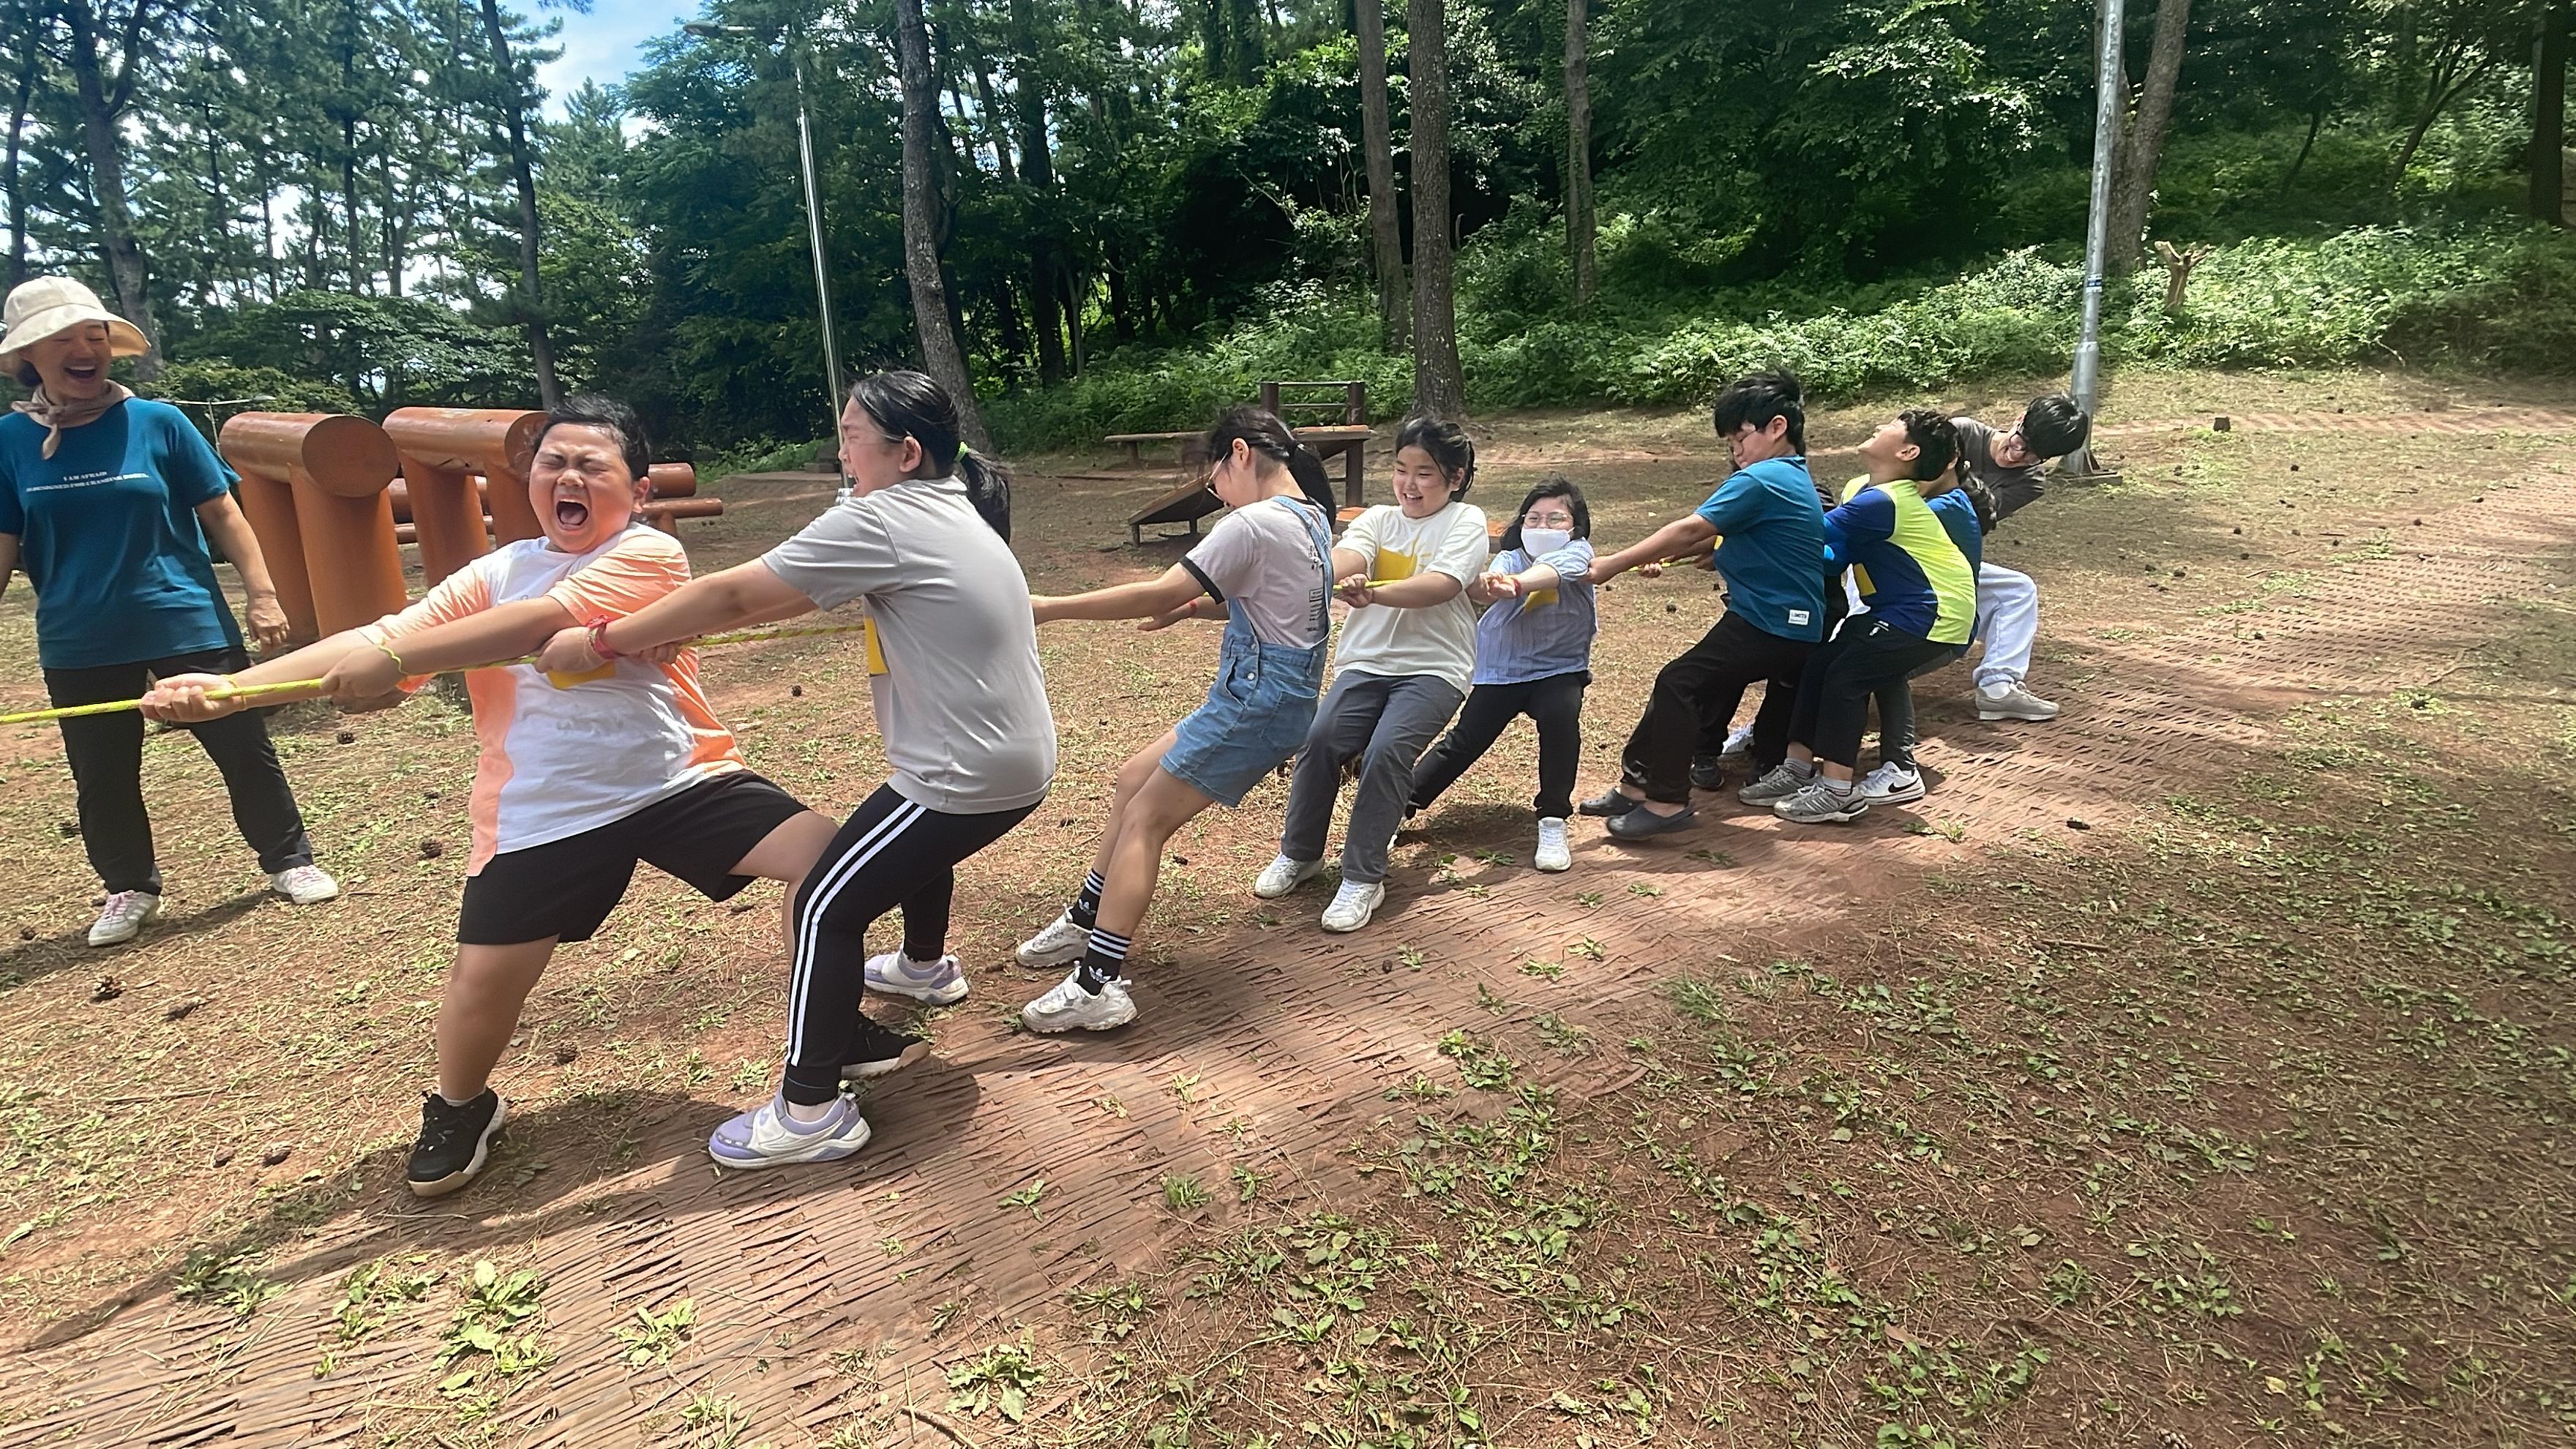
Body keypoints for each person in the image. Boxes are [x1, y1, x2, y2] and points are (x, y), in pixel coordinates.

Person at [143, 395, 843, 1196]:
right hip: (541, 807)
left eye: (591, 466)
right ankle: (461, 1106)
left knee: (831, 862)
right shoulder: (495, 570)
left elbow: (535, 625)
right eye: (554, 463)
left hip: (675, 780)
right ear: (530, 480)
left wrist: (396, 657)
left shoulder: (648, 553)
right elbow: (379, 635)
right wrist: (232, 691)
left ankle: (829, 1031)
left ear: (639, 490)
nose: (568, 478)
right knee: (482, 989)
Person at [536, 372, 1055, 1168]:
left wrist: (603, 639)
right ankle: (923, 968)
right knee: (905, 835)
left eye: (851, 437)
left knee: (820, 907)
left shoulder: (888, 516)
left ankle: (810, 1111)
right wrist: (669, 630)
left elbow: (734, 592)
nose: (840, 452)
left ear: (905, 453)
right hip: (1008, 761)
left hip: (966, 775)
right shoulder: (948, 504)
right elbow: (789, 591)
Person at [0, 276, 338, 947]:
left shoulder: (159, 422)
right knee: (101, 773)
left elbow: (224, 513)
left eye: (94, 335)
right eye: (64, 339)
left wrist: (263, 594)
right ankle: (128, 886)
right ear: (29, 356)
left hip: (185, 617)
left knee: (243, 748)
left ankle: (290, 860)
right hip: (78, 637)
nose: (84, 349)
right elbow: (5, 544)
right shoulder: (8, 441)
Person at [1012, 408, 1338, 1030]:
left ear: (1239, 453)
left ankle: (1097, 985)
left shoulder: (1254, 523)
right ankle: (1086, 920)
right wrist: (1194, 611)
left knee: (1145, 820)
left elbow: (1160, 588)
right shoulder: (1312, 516)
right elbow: (1273, 607)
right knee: (1133, 779)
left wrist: (1050, 607)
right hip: (1267, 696)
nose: (1218, 496)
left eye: (1215, 481)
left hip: (1256, 702)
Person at [1252, 416, 1489, 931]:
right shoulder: (1379, 519)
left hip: (1435, 668)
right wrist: (1327, 572)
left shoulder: (1465, 521)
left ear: (1455, 477)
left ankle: (1363, 877)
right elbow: (1346, 556)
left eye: (1424, 473)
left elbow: (1443, 585)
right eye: (1401, 470)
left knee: (1387, 752)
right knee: (1319, 740)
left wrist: (1374, 593)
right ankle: (1301, 853)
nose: (1409, 484)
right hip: (1367, 663)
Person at [1578, 371, 1827, 839]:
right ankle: (1635, 787)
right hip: (1775, 619)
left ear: (1777, 427)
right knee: (1681, 682)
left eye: (1741, 438)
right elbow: (1723, 538)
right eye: (1730, 443)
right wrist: (1684, 555)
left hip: (1775, 622)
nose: (1737, 451)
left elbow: (1694, 528)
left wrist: (1613, 563)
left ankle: (1667, 802)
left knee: (1680, 684)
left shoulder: (1765, 477)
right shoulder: (1791, 475)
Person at [1741, 408, 1973, 824]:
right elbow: (1834, 556)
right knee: (1818, 666)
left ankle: (1837, 792)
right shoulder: (1861, 489)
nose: (1879, 426)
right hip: (1898, 610)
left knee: (1846, 677)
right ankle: (1796, 770)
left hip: (1934, 613)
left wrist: (1727, 538)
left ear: (1908, 451)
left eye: (1893, 426)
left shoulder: (1886, 501)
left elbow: (1805, 534)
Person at [1404, 474, 1596, 873]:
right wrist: (1488, 583)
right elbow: (1491, 584)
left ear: (1575, 526)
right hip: (1502, 668)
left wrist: (1517, 585)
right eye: (1533, 519)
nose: (1542, 527)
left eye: (1555, 519)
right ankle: (1398, 807)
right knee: (1464, 741)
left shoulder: (1579, 553)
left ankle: (1553, 818)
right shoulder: (1509, 559)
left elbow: (1554, 572)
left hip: (1559, 669)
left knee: (1561, 723)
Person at [1853, 470, 1993, 806]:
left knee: (1883, 667)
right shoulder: (1929, 505)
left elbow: (1869, 525)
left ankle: (1900, 768)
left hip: (1939, 624)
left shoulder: (1941, 509)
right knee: (1865, 664)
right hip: (1913, 617)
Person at [1951, 394, 2088, 723]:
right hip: (1891, 544)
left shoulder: (2031, 481)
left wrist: (1957, 472)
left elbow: (1977, 519)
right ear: (2019, 419)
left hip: (1947, 557)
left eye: (2032, 456)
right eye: (2020, 443)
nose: (2017, 456)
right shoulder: (1962, 432)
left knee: (2018, 590)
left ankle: (1997, 687)